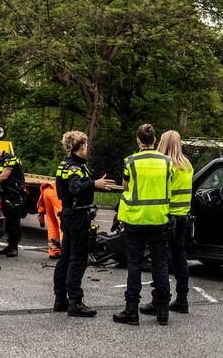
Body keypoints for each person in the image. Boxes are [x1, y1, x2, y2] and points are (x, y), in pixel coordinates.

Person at [114, 124, 173, 326]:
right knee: (160, 265)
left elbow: (125, 186)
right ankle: (163, 311)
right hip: (159, 219)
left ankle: (131, 310)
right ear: (154, 140)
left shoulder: (130, 162)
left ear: (138, 140)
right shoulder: (167, 162)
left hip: (136, 219)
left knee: (134, 265)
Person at [54, 130, 115, 318]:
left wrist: (94, 184)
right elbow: (75, 188)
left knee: (65, 257)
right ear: (81, 146)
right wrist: (94, 184)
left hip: (69, 214)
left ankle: (60, 299)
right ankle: (75, 302)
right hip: (77, 216)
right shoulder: (74, 167)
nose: (87, 147)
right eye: (86, 144)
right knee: (78, 259)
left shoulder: (66, 163)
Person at [140, 129, 193, 316]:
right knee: (180, 258)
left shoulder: (165, 165)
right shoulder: (187, 164)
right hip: (183, 217)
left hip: (167, 216)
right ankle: (182, 299)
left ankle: (158, 300)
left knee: (160, 260)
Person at [36, 181, 63, 258]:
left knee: (52, 223)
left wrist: (41, 210)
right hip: (56, 193)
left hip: (47, 190)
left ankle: (54, 251)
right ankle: (65, 252)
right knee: (63, 223)